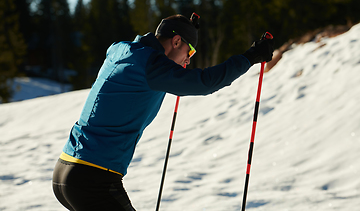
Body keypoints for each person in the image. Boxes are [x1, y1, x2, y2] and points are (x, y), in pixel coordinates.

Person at [52, 13, 274, 211]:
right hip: (93, 178)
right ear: (176, 41)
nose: (188, 60)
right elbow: (204, 82)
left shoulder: (121, 49)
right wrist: (250, 57)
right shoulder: (152, 64)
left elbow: (142, 74)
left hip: (65, 169)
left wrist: (184, 31)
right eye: (190, 51)